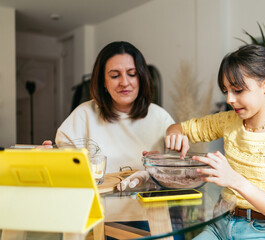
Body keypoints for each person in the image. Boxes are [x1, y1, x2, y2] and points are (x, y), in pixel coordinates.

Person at [165, 44, 265, 239]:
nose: (230, 99)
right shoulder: (229, 121)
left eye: (238, 90)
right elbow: (178, 128)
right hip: (219, 224)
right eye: (226, 91)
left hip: (262, 230)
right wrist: (175, 134)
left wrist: (234, 180)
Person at [43, 41, 174, 173]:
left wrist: (163, 166)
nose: (124, 82)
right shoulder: (84, 115)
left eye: (132, 74)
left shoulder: (161, 118)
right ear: (103, 82)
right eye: (115, 75)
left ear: (141, 77)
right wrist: (46, 158)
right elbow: (63, 167)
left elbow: (177, 170)